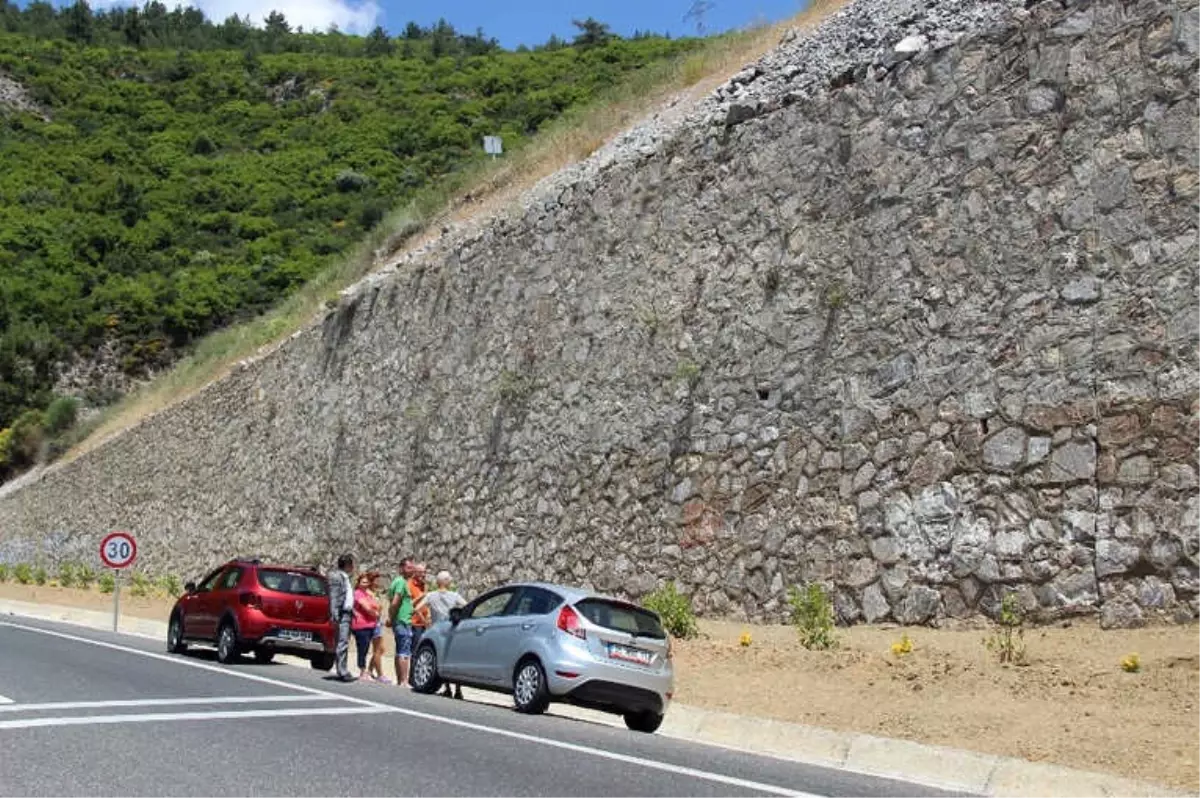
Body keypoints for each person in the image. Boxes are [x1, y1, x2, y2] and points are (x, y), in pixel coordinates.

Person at [415, 569, 467, 698]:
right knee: (455, 657)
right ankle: (458, 689)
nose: (450, 580)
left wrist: (425, 622)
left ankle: (447, 688)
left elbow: (416, 608)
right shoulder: (454, 595)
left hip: (437, 629)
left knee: (442, 657)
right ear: (445, 581)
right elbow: (466, 606)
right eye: (449, 578)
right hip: (452, 629)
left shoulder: (431, 595)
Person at [385, 556, 417, 688]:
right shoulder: (401, 582)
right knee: (404, 652)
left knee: (400, 651)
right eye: (409, 567)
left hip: (400, 621)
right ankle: (404, 681)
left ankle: (400, 680)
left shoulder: (397, 582)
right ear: (402, 568)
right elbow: (395, 601)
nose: (412, 569)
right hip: (402, 621)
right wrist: (391, 618)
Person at [327, 553, 356, 682]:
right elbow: (334, 597)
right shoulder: (337, 577)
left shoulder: (346, 578)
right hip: (342, 613)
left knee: (344, 641)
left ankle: (341, 668)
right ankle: (342, 671)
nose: (353, 567)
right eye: (351, 564)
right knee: (342, 642)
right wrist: (335, 614)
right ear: (347, 565)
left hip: (348, 613)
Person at [351, 572, 381, 681]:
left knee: (367, 648)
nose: (365, 584)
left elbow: (378, 606)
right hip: (361, 625)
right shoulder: (358, 593)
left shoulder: (368, 594)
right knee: (362, 649)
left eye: (367, 582)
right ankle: (362, 671)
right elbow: (367, 608)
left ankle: (365, 671)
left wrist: (376, 610)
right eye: (363, 582)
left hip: (370, 625)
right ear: (358, 583)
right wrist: (376, 613)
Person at [368, 573, 390, 683]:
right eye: (377, 580)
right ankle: (380, 674)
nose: (380, 582)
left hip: (378, 623)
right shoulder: (369, 593)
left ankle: (370, 670)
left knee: (380, 649)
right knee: (378, 649)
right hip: (373, 624)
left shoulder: (376, 593)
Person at [409, 563, 430, 666]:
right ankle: (411, 677)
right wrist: (422, 596)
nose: (424, 575)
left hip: (424, 623)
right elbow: (408, 604)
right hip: (414, 624)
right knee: (415, 650)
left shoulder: (424, 585)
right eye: (421, 572)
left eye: (425, 572)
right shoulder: (409, 585)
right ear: (415, 573)